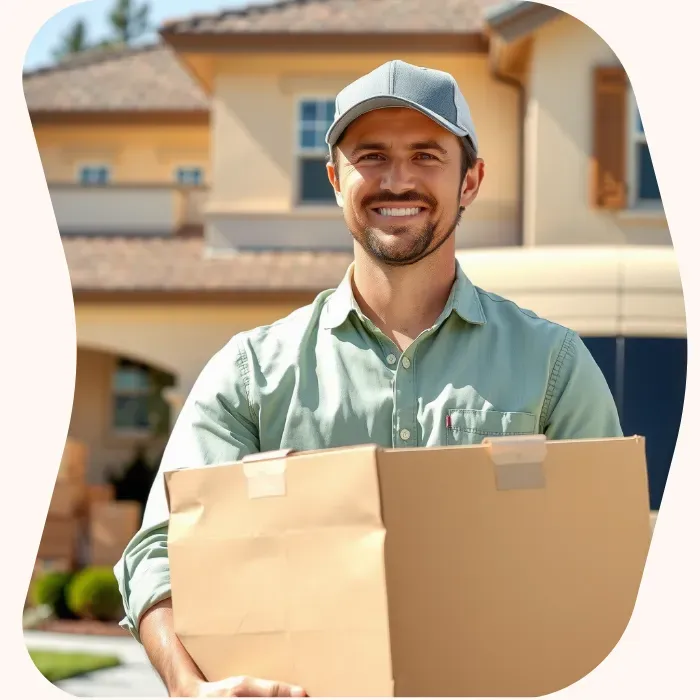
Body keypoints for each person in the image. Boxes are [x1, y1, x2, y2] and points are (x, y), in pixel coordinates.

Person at [114, 60, 622, 697]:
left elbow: (606, 559)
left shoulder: (553, 365)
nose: (398, 179)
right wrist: (189, 687)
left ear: (472, 181)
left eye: (427, 154)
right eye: (371, 155)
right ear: (334, 178)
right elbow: (159, 551)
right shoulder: (250, 374)